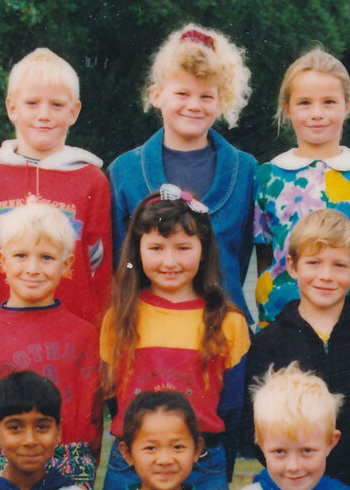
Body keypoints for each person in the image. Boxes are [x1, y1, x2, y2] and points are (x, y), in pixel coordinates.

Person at [236, 208, 350, 490]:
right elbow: (256, 426)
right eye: (313, 262)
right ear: (292, 266)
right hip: (290, 485)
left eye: (339, 265)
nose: (325, 276)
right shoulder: (268, 343)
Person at [97, 192, 250, 490]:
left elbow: (232, 407)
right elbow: (114, 396)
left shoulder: (228, 321)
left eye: (183, 248)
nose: (169, 261)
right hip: (131, 465)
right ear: (137, 250)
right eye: (156, 248)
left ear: (203, 250)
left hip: (202, 465)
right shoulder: (120, 318)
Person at [109, 24, 258, 319]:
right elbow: (120, 261)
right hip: (147, 327)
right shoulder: (124, 170)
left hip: (223, 326)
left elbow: (237, 258)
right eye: (182, 93)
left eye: (206, 96)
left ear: (222, 99)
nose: (193, 105)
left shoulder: (245, 170)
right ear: (157, 95)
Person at [0, 202, 103, 490]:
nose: (32, 269)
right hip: (3, 462)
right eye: (21, 255)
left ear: (67, 264)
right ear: (1, 259)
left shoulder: (85, 335)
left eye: (46, 257)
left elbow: (93, 415)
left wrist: (84, 469)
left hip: (69, 464)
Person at [0, 46, 113, 327]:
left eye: (56, 105)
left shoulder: (92, 181)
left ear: (74, 112)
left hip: (70, 337)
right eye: (32, 103)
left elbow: (99, 268)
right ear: (12, 108)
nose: (44, 115)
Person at [251, 47, 350, 323]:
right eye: (304, 103)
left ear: (347, 105)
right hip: (282, 320)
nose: (317, 113)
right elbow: (265, 254)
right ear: (287, 107)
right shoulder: (267, 177)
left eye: (329, 102)